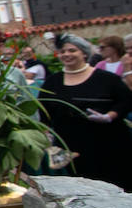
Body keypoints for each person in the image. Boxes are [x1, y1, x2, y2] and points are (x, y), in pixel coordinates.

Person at [40, 33, 132, 191]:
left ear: (83, 53)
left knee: (117, 186)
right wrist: (45, 133)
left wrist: (110, 116)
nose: (66, 54)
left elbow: (126, 101)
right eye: (62, 52)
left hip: (110, 144)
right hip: (72, 148)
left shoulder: (106, 79)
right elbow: (44, 111)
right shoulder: (52, 82)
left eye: (72, 50)